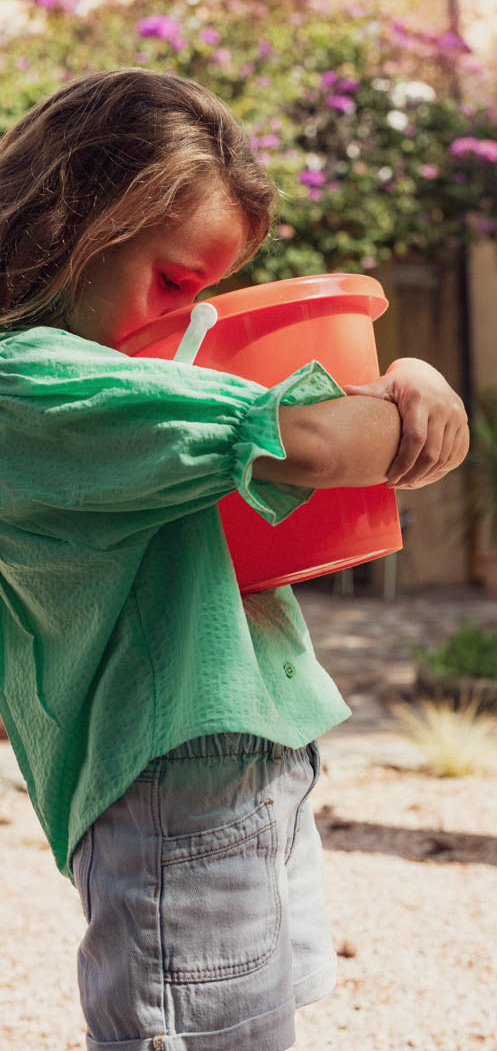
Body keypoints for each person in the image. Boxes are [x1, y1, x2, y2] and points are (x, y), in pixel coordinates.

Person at [0, 67, 469, 1050]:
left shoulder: (126, 374)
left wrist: (398, 385)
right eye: (176, 283)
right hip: (169, 776)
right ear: (76, 219)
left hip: (243, 749)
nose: (187, 317)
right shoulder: (34, 379)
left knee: (253, 1028)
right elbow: (311, 442)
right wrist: (409, 396)